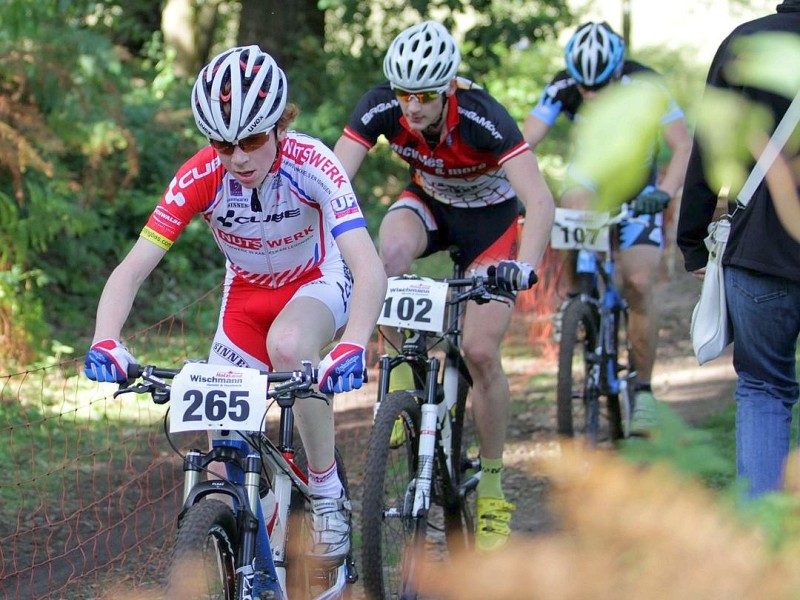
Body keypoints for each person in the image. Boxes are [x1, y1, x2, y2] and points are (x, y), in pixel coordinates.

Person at [83, 45, 387, 562]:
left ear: (279, 127)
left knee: (290, 347)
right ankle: (259, 533)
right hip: (245, 296)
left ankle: (328, 490)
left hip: (316, 280)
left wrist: (354, 344)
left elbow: (369, 268)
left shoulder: (314, 163)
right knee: (224, 452)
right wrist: (105, 339)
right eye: (223, 145)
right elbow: (132, 269)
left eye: (250, 140)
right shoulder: (202, 175)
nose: (238, 157)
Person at [333, 20, 555, 551]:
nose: (411, 108)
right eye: (404, 94)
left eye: (426, 97)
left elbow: (540, 201)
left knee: (480, 351)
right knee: (384, 255)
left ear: (449, 89)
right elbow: (333, 181)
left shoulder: (484, 117)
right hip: (429, 207)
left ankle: (495, 483)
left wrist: (522, 267)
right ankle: (407, 372)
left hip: (490, 227)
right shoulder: (382, 105)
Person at [522, 21, 692, 435]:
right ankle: (577, 293)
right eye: (584, 89)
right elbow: (524, 142)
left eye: (600, 87)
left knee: (637, 281)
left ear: (618, 72)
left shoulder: (647, 84)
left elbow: (684, 144)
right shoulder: (563, 86)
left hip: (640, 190)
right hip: (592, 181)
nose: (591, 95)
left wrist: (666, 192)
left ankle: (646, 391)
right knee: (572, 201)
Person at [677, 0, 800, 500]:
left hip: (759, 253)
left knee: (764, 391)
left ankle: (764, 544)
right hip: (762, 253)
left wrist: (692, 242)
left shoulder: (746, 44)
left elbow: (709, 149)